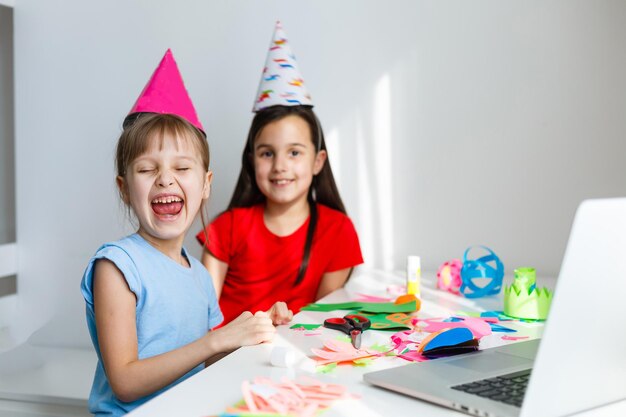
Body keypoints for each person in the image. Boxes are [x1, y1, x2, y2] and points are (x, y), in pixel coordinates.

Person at [80, 50, 275, 416]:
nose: (165, 178)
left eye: (182, 167)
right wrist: (215, 340)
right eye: (146, 169)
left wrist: (257, 332)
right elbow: (124, 383)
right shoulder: (117, 267)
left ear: (205, 185)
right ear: (124, 188)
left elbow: (210, 359)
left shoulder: (198, 275)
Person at [197, 22, 363, 326]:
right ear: (252, 161)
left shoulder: (338, 231)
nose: (280, 166)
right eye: (267, 153)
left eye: (295, 152)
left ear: (318, 161)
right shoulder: (225, 230)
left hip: (295, 361)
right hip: (224, 362)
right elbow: (201, 321)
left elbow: (326, 321)